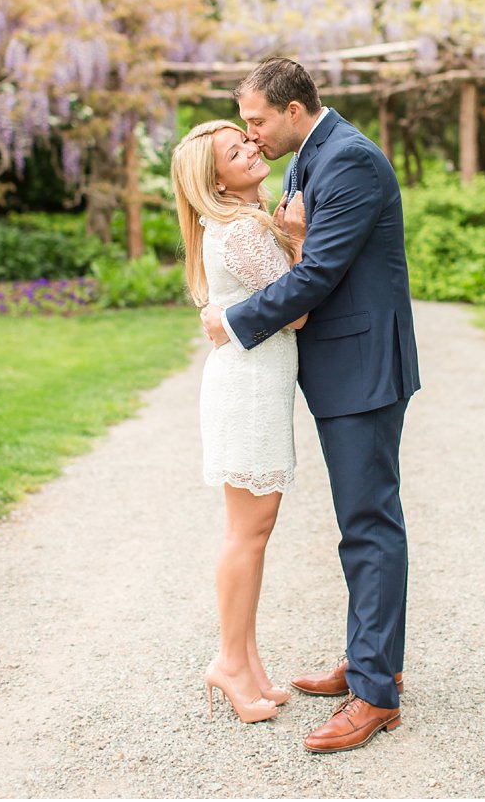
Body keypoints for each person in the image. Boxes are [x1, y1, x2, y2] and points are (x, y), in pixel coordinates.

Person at [201, 57, 420, 754]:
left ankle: (376, 695)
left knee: (368, 522)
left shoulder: (349, 160)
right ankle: (368, 661)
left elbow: (319, 273)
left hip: (363, 367)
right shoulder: (304, 155)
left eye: (258, 120)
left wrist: (232, 321)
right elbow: (300, 249)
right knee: (358, 521)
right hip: (336, 370)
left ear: (294, 109)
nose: (252, 134)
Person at [172, 119, 307, 724]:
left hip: (251, 384)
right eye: (235, 150)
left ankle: (248, 664)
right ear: (217, 181)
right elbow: (296, 309)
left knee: (252, 530)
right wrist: (299, 239)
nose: (253, 148)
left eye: (248, 140)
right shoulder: (242, 230)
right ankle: (229, 663)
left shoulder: (236, 225)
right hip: (249, 391)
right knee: (247, 533)